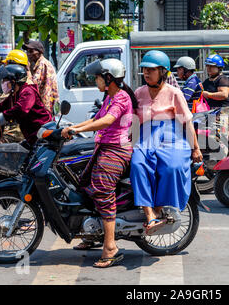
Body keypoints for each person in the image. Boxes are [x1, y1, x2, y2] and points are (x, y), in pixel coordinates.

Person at [61, 58, 137, 268]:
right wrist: (73, 127)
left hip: (117, 151)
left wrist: (77, 130)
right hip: (104, 148)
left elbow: (107, 121)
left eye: (97, 77)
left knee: (102, 190)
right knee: (82, 183)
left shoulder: (121, 98)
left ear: (109, 78)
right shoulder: (109, 97)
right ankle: (93, 234)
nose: (96, 80)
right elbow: (95, 120)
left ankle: (111, 247)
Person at [130, 50, 202, 235]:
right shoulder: (139, 93)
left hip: (172, 136)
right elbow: (132, 121)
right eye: (144, 69)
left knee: (173, 167)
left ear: (163, 72)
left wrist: (195, 148)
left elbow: (186, 122)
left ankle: (159, 207)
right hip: (146, 137)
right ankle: (149, 215)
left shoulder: (174, 93)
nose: (146, 73)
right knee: (138, 165)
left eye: (151, 70)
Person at [23, 40, 59, 114]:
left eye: (31, 51)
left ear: (39, 52)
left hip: (45, 108)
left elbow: (32, 86)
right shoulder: (41, 63)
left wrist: (27, 70)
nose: (28, 54)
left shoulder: (42, 64)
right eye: (27, 51)